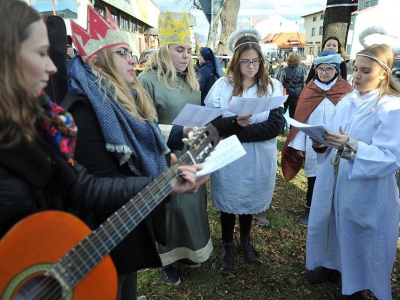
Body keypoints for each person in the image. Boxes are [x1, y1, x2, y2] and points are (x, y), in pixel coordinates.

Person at [0, 1, 203, 299]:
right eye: (41, 53)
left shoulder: (43, 124)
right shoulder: (79, 112)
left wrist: (165, 182)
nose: (53, 66)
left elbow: (81, 187)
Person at [304, 44, 400, 299]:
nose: (356, 76)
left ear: (383, 74)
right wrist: (320, 142)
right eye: (355, 69)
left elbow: (391, 157)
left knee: (359, 230)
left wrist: (351, 145)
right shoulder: (348, 100)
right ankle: (330, 266)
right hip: (336, 176)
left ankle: (356, 282)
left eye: (365, 71)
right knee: (331, 220)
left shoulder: (391, 107)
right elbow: (334, 134)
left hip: (366, 184)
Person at [138, 11, 213, 286]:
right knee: (169, 209)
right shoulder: (147, 80)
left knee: (191, 205)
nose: (186, 56)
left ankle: (189, 250)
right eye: (179, 50)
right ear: (164, 50)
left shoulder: (191, 79)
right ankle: (165, 259)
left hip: (191, 153)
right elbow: (143, 127)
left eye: (189, 50)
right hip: (164, 155)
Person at [204, 33, 285, 271]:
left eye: (256, 61)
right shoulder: (222, 86)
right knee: (230, 199)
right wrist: (233, 126)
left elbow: (275, 125)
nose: (251, 66)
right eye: (246, 61)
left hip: (258, 155)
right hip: (229, 156)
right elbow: (212, 122)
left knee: (249, 198)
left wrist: (239, 131)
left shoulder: (272, 87)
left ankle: (245, 240)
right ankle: (227, 243)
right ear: (236, 61)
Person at [281, 50, 353, 227]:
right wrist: (298, 146)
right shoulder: (309, 89)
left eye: (329, 69)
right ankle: (311, 208)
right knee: (314, 177)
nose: (324, 73)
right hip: (313, 142)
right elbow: (300, 119)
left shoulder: (346, 91)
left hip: (338, 142)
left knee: (337, 176)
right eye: (320, 69)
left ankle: (334, 210)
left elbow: (352, 118)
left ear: (337, 70)